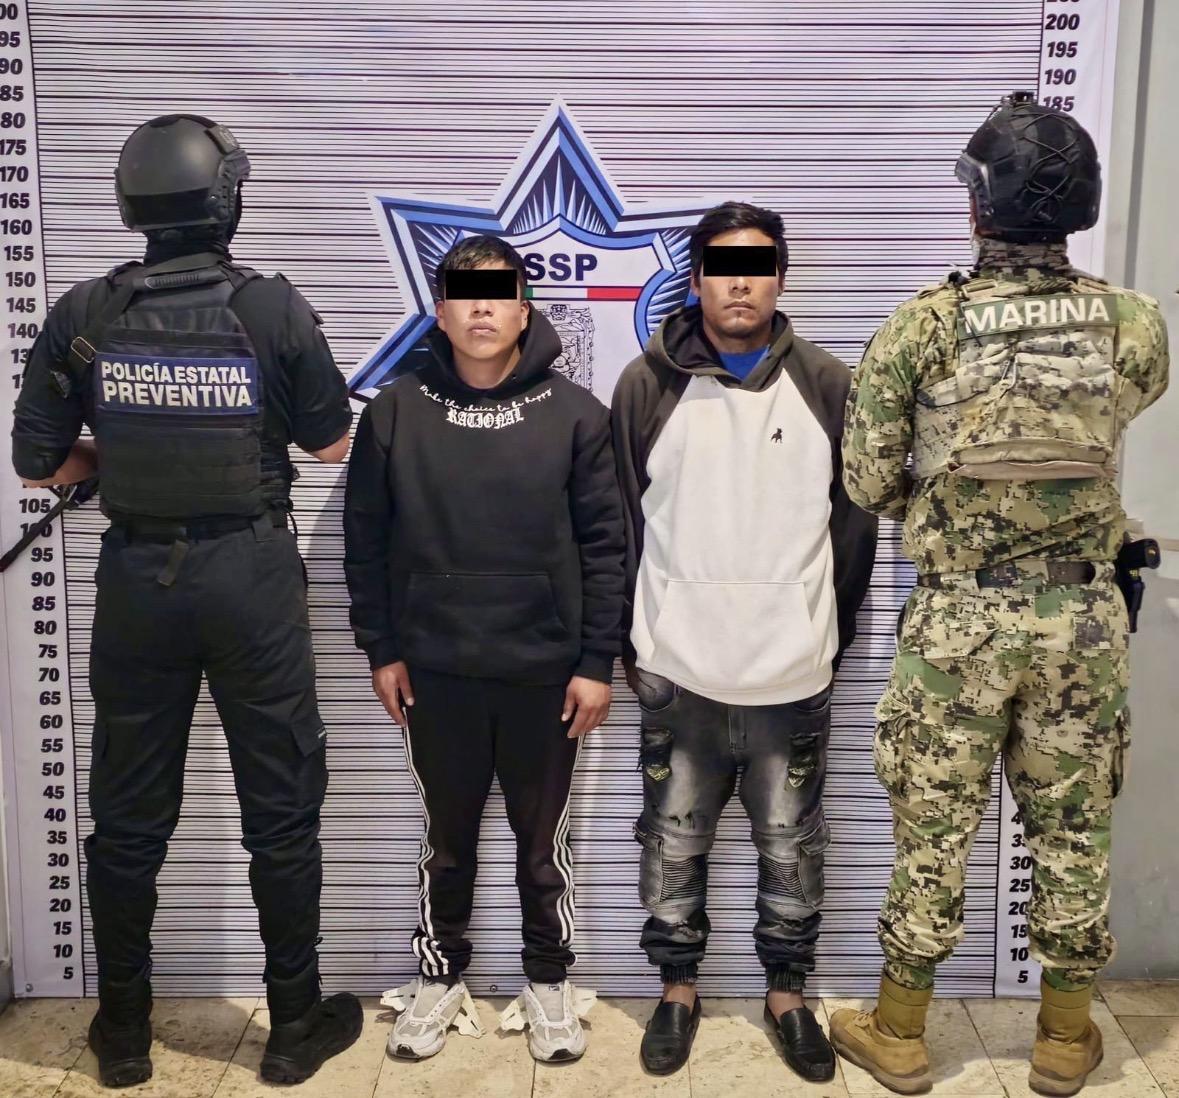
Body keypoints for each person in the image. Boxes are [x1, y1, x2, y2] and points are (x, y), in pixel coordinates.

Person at [10, 113, 362, 1089]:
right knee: (280, 810)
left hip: (137, 584)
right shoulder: (272, 310)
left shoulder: (86, 313)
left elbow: (38, 462)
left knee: (128, 818)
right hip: (249, 577)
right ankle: (292, 1028)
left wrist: (119, 458)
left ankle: (123, 1034)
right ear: (226, 201)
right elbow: (332, 443)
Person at [834, 91, 1169, 1097]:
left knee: (933, 825)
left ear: (978, 204)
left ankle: (899, 1033)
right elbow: (1126, 407)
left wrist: (949, 505)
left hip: (959, 620)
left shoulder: (923, 327)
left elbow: (866, 480)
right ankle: (1064, 1040)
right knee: (1073, 825)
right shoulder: (1132, 323)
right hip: (1082, 621)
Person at [611, 201, 878, 1080]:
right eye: (722, 268)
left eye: (757, 268)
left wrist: (816, 634)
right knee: (671, 839)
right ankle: (676, 989)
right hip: (676, 669)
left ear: (780, 279)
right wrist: (637, 642)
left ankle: (787, 995)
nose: (739, 284)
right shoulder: (645, 385)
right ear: (695, 279)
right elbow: (619, 525)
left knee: (791, 845)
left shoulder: (828, 385)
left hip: (789, 673)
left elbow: (853, 531)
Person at [343, 234, 625, 1064]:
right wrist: (381, 648)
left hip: (546, 674)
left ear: (522, 310)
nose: (481, 309)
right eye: (465, 295)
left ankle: (549, 980)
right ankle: (439, 976)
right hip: (434, 671)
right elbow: (365, 540)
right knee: (447, 843)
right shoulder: (395, 411)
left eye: (498, 294)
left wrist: (595, 663)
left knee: (543, 851)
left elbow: (606, 548)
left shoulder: (578, 413)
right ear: (439, 311)